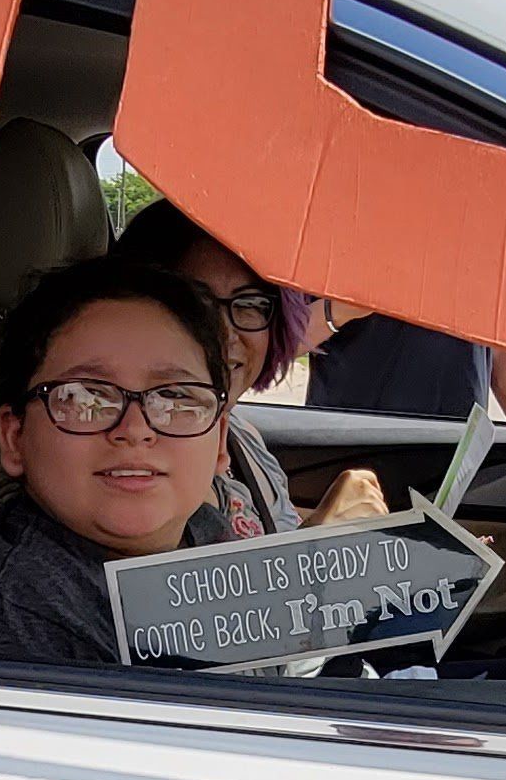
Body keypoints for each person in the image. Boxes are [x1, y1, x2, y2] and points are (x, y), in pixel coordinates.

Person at [0, 258, 234, 671]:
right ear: (15, 439)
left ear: (219, 441)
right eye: (84, 397)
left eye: (177, 397)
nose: (136, 429)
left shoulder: (204, 535)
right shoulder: (2, 627)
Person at [113, 197, 388, 532]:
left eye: (252, 304)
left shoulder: (243, 440)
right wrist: (317, 548)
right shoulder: (133, 469)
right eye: (196, 304)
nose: (226, 332)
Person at [306, 302, 506, 427]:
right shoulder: (334, 217)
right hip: (352, 451)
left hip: (456, 454)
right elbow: (278, 338)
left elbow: (504, 342)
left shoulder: (485, 227)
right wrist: (338, 309)